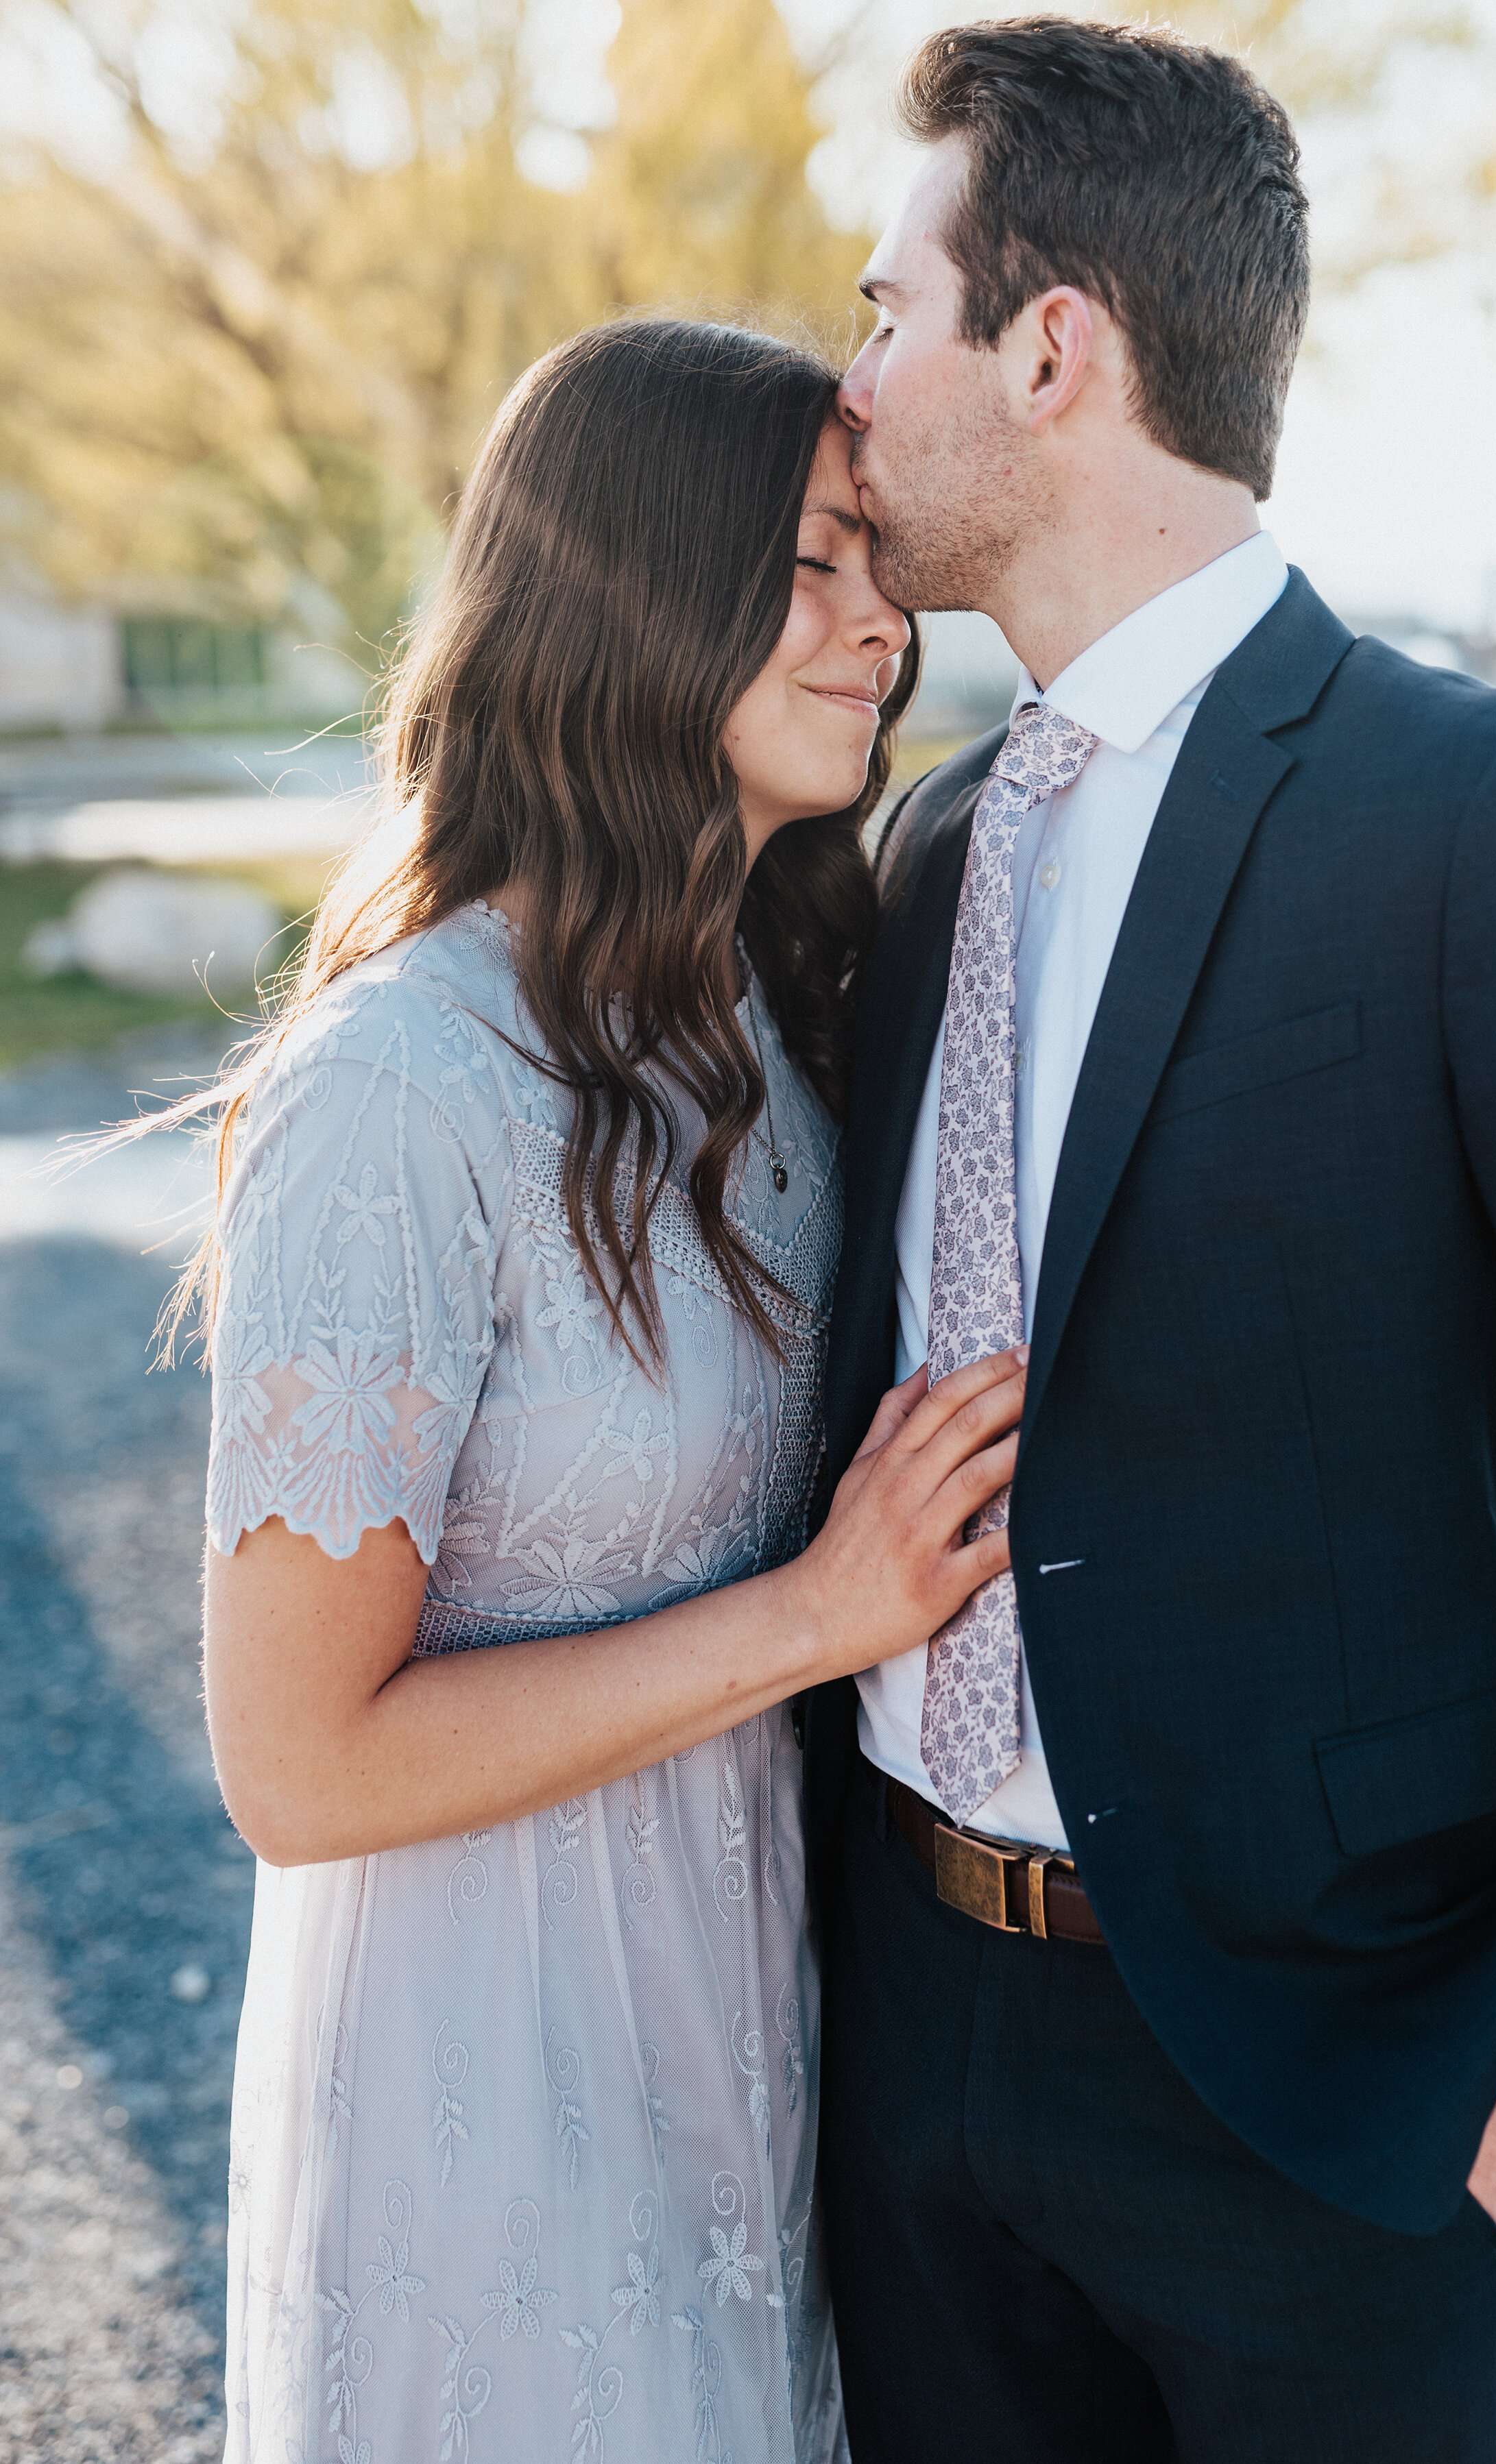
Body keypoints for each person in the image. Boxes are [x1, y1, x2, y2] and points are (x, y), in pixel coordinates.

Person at [806, 19, 1496, 2462]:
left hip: (1347, 2107)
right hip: (922, 2065)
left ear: (1053, 347)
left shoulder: (1482, 823)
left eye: (888, 314)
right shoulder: (939, 845)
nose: (851, 392)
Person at [186, 319, 1025, 2463]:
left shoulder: (755, 1021)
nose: (884, 623)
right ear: (643, 578)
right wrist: (822, 1614)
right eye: (823, 561)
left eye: (880, 565)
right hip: (483, 2085)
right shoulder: (400, 1086)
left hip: (738, 2034)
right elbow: (296, 1763)